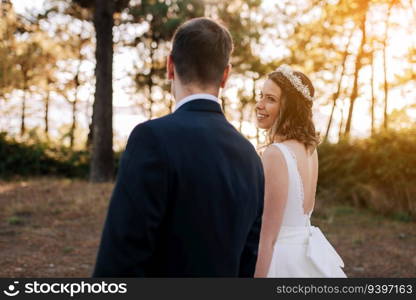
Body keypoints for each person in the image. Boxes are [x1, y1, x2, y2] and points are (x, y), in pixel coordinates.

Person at [92, 17, 264, 277]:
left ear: (170, 66)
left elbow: (122, 255)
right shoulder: (250, 156)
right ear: (225, 75)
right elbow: (248, 262)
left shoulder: (151, 138)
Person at [254, 65, 346, 277]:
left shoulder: (276, 154)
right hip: (306, 256)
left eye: (270, 99)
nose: (259, 105)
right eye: (261, 96)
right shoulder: (309, 149)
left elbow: (268, 239)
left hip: (281, 259)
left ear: (290, 107)